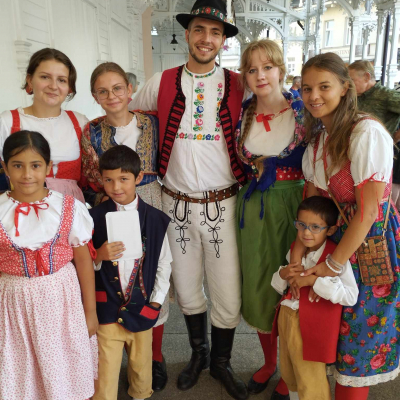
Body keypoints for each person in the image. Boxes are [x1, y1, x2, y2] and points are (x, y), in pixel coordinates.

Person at [129, 1, 248, 399]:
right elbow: (130, 118)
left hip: (223, 204)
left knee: (227, 290)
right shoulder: (161, 81)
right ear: (187, 34)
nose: (206, 38)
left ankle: (222, 362)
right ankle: (199, 355)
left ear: (223, 40)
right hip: (175, 204)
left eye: (215, 32)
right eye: (199, 29)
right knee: (185, 286)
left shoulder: (238, 84)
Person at [297, 52, 400, 400]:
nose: (314, 96)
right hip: (334, 237)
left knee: (359, 340)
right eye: (307, 88)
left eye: (324, 87)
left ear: (345, 87)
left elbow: (368, 213)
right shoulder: (318, 140)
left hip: (369, 244)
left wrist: (332, 264)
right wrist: (301, 254)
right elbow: (314, 206)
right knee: (331, 330)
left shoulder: (366, 132)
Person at [81, 61, 169, 392]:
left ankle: (153, 355)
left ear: (130, 89)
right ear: (95, 96)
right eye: (102, 91)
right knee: (117, 271)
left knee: (150, 271)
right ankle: (114, 347)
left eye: (117, 88)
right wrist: (105, 202)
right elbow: (91, 174)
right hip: (111, 201)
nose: (112, 95)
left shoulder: (152, 123)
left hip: (150, 197)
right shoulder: (91, 131)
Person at [0, 131, 98, 400]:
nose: (27, 174)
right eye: (17, 165)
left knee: (61, 368)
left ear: (48, 167)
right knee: (21, 371)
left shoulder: (68, 207)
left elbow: (83, 260)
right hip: (13, 304)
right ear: (5, 168)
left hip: (60, 301)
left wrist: (90, 312)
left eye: (35, 165)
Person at [235, 39, 306, 400]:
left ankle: (290, 368)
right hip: (252, 208)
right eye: (252, 69)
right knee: (260, 284)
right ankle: (268, 362)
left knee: (293, 283)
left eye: (267, 67)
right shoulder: (243, 112)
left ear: (281, 70)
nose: (260, 75)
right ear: (245, 76)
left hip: (294, 205)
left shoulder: (303, 111)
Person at [89, 145, 172, 400]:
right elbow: (82, 265)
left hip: (142, 307)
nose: (116, 187)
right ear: (101, 179)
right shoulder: (92, 218)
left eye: (123, 179)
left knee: (141, 365)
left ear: (138, 178)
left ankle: (140, 394)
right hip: (106, 309)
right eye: (108, 180)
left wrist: (156, 302)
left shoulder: (156, 219)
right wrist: (98, 255)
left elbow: (164, 263)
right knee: (105, 369)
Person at [271, 196, 358, 400]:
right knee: (290, 374)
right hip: (287, 319)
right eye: (301, 225)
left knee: (311, 381)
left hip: (311, 328)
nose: (306, 232)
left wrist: (314, 282)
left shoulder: (335, 257)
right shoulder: (295, 250)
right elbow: (279, 286)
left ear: (330, 230)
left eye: (315, 227)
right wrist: (283, 274)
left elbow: (350, 296)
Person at [0, 48, 88, 202]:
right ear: (30, 80)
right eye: (45, 77)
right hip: (22, 210)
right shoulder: (7, 121)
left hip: (72, 211)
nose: (53, 86)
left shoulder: (80, 122)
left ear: (69, 87)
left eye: (61, 80)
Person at [348, 60, 400, 210]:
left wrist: (397, 135)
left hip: (377, 156)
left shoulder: (386, 95)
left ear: (366, 77)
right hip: (357, 152)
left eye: (352, 80)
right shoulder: (357, 96)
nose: (349, 85)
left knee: (372, 202)